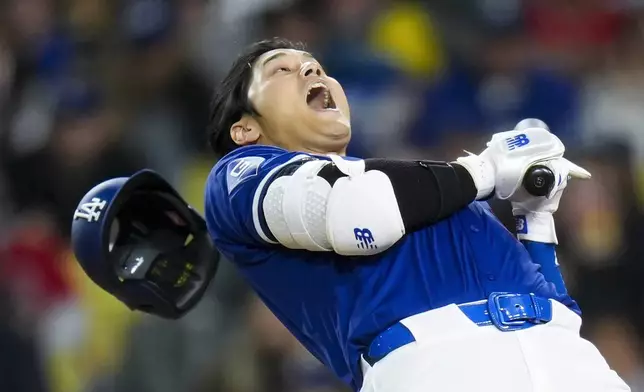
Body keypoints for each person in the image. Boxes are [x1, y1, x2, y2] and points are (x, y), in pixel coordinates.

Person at [70, 38, 629, 392]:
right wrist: (486, 171)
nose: (312, 72)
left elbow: (557, 307)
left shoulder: (422, 183)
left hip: (566, 360)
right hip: (442, 368)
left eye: (315, 65)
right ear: (246, 128)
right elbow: (362, 217)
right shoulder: (242, 174)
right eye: (283, 70)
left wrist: (535, 217)